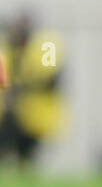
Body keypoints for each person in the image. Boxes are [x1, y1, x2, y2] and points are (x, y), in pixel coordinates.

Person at [0, 13, 66, 168]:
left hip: (36, 115)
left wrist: (24, 85)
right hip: (10, 114)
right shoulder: (6, 50)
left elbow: (51, 80)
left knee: (27, 155)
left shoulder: (45, 47)